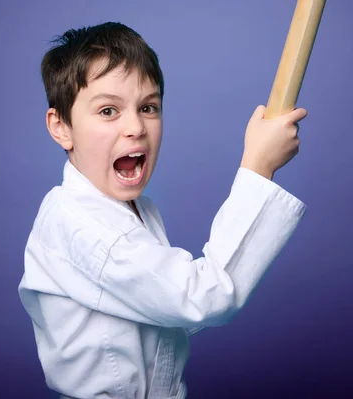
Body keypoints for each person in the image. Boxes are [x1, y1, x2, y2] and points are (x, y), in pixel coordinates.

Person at [18, 21, 308, 399]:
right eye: (108, 111)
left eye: (148, 107)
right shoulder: (83, 226)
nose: (135, 126)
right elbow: (204, 297)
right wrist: (258, 166)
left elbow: (164, 309)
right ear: (62, 127)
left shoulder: (135, 210)